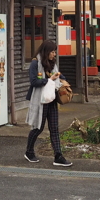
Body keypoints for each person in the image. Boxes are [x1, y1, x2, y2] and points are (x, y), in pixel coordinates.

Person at [24, 39, 72, 167]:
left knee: (54, 128)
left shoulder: (52, 64)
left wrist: (62, 80)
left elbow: (59, 76)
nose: (54, 54)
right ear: (46, 52)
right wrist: (49, 80)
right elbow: (34, 82)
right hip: (40, 99)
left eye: (55, 52)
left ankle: (58, 156)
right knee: (38, 127)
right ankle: (29, 152)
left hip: (51, 98)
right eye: (52, 52)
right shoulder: (35, 63)